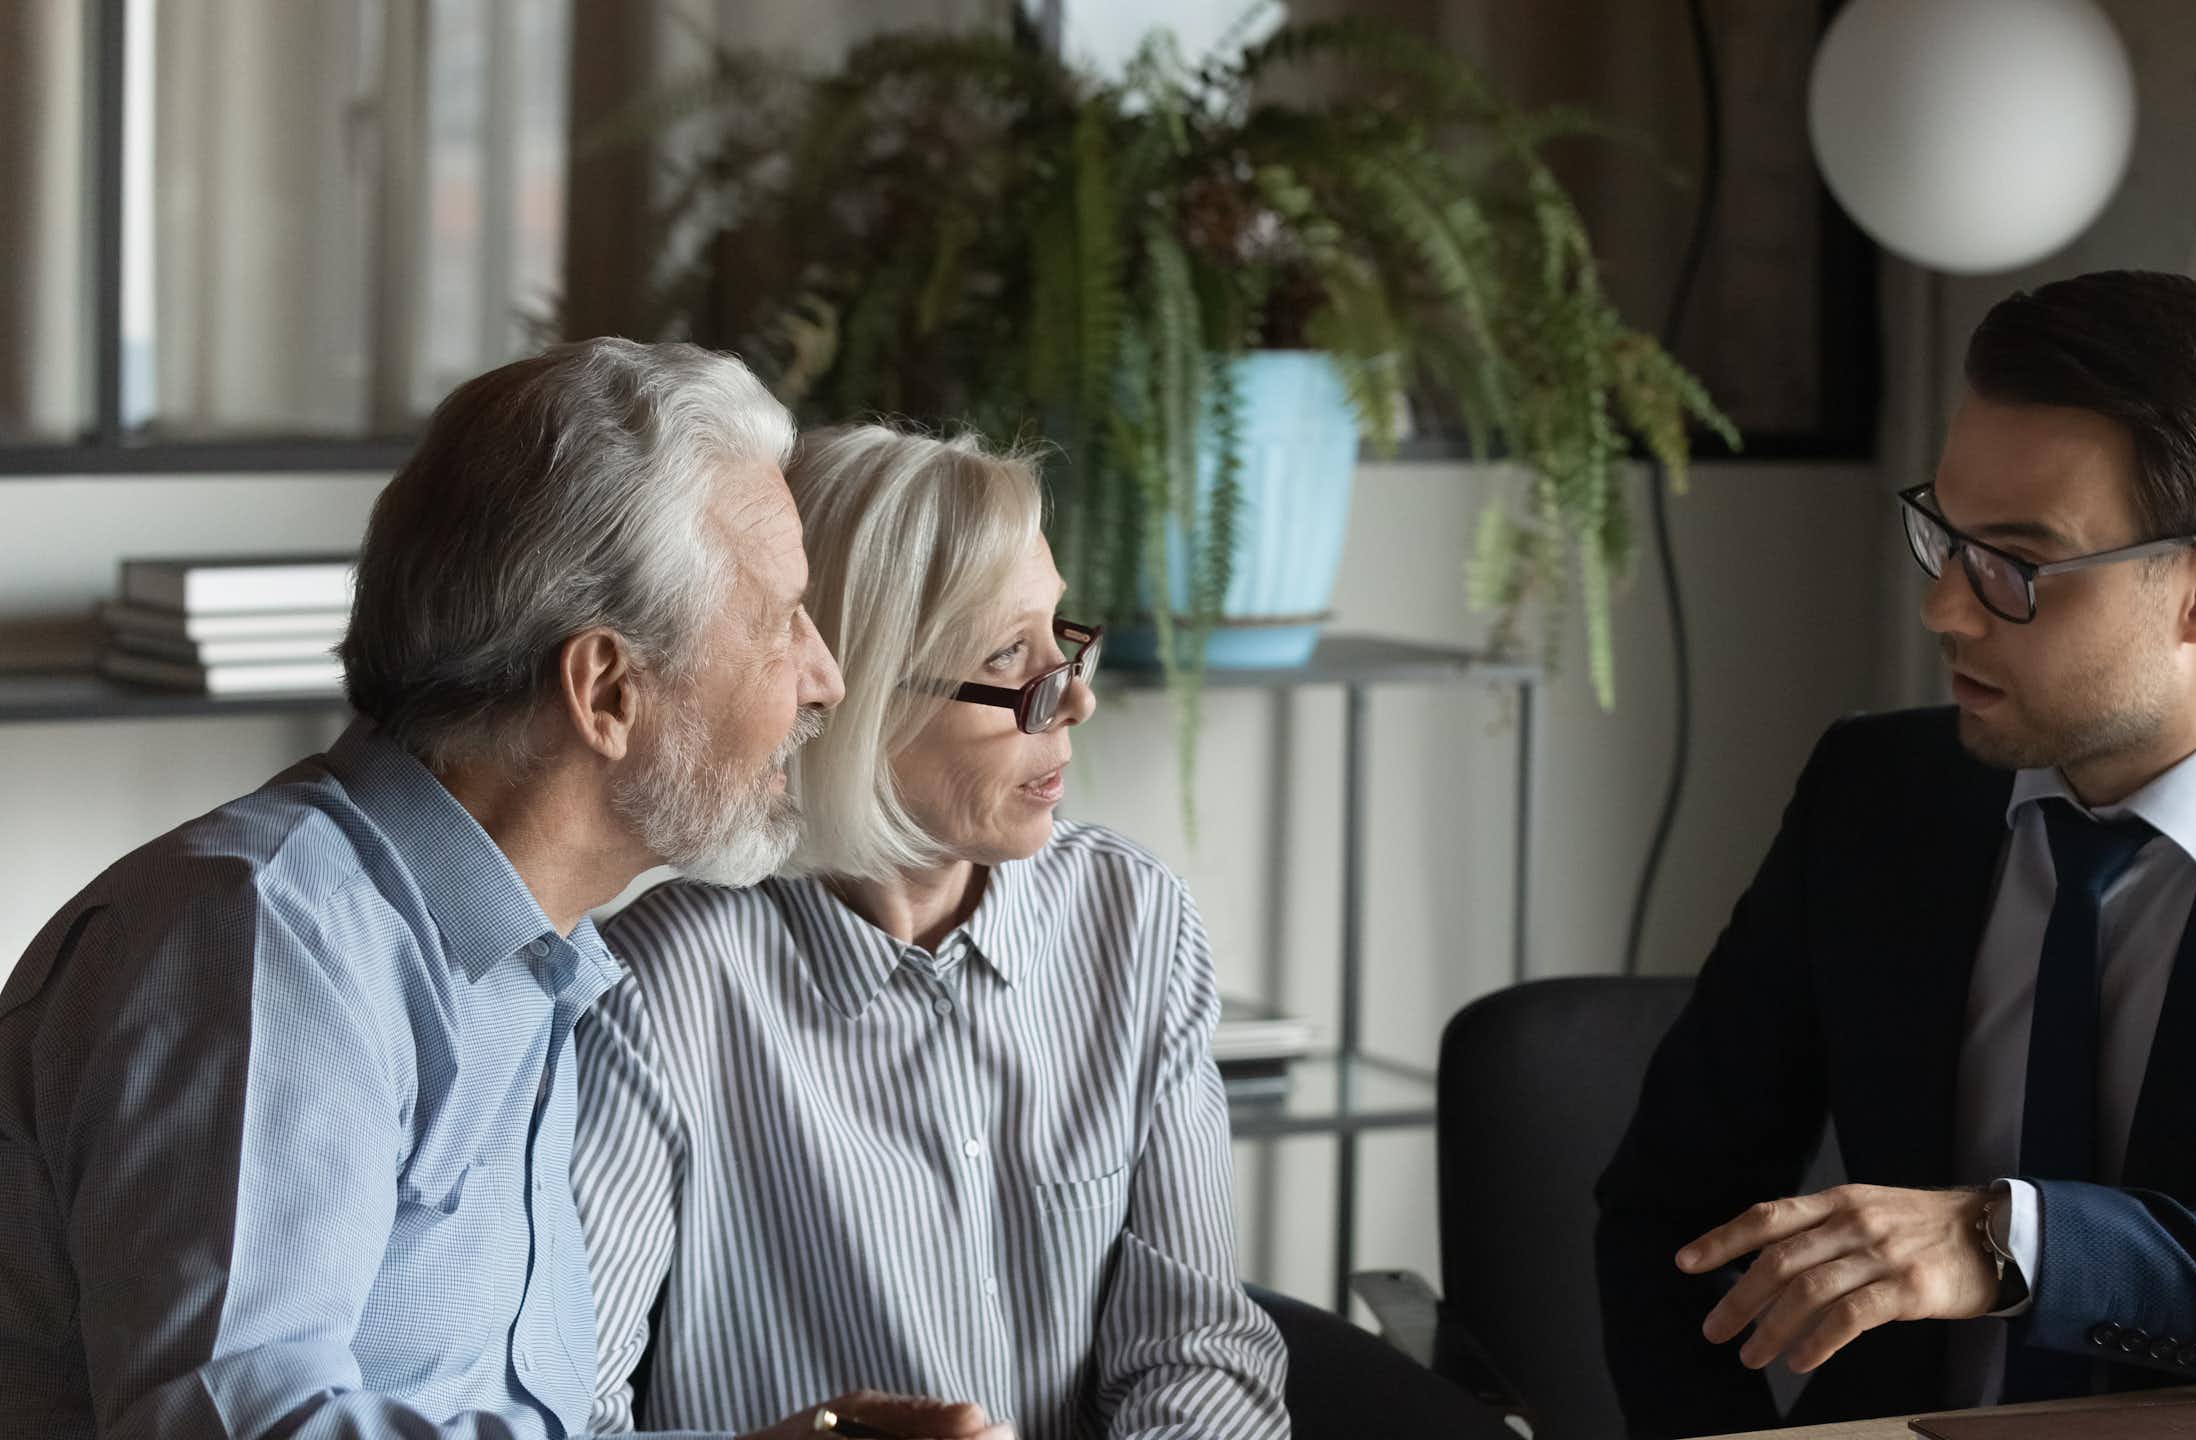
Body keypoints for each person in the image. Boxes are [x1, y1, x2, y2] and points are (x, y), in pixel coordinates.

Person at [1595, 271, 2196, 1436]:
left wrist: (2016, 1241)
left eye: (2014, 563)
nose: (1945, 609)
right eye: (1942, 535)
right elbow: (1669, 1205)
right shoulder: (1874, 798)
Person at [0, 340, 1005, 1440]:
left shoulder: (528, 966)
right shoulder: (264, 940)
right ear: (606, 689)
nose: (826, 676)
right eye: (781, 621)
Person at [574, 425, 1290, 1439]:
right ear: (852, 693)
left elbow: (1199, 1353)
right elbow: (573, 1417)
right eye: (1010, 655)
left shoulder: (1133, 924)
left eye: (1059, 635)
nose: (1075, 697)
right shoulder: (655, 994)